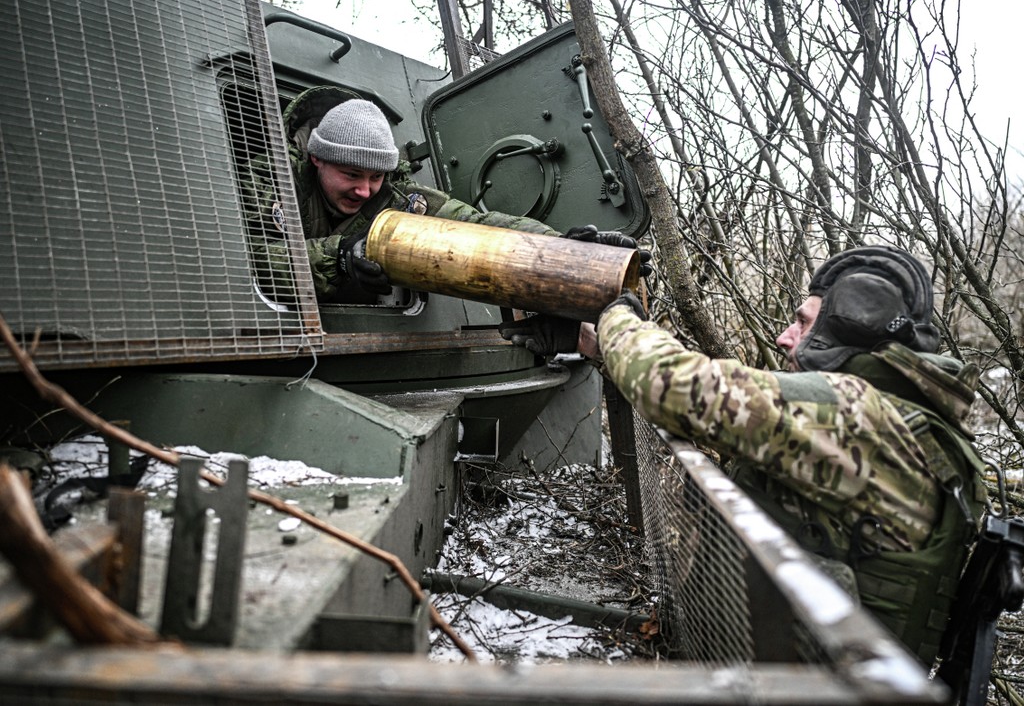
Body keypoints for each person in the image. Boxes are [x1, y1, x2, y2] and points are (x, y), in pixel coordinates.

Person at [591, 245, 988, 666]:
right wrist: (599, 342)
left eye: (803, 322)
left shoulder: (856, 414)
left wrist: (616, 313)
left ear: (853, 326)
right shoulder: (905, 422)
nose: (784, 337)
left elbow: (666, 384)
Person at [243, 86, 649, 304]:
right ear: (317, 159)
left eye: (376, 176)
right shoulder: (269, 181)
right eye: (351, 174)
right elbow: (242, 258)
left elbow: (477, 226)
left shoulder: (400, 198)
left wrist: (563, 248)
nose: (365, 190)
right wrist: (341, 256)